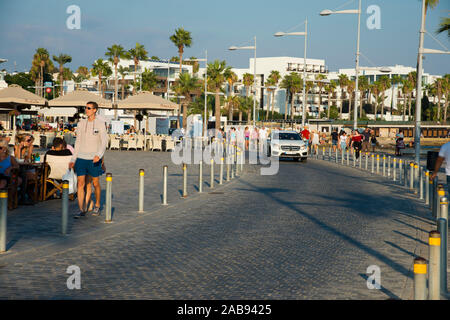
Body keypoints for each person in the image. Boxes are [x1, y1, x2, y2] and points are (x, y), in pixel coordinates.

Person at [69, 101, 108, 218]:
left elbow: (104, 141)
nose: (86, 110)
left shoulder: (101, 124)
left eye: (89, 108)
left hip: (93, 158)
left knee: (95, 183)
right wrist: (73, 159)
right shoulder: (81, 123)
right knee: (80, 184)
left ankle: (97, 204)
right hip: (81, 157)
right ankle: (82, 209)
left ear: (95, 110)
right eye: (85, 108)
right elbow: (78, 141)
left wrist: (99, 155)